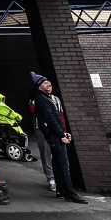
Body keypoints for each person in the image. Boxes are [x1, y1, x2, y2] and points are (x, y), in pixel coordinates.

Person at [30, 72, 86, 203]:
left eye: (48, 83)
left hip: (55, 134)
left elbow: (57, 117)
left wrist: (63, 131)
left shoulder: (46, 99)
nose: (48, 84)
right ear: (39, 86)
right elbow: (51, 118)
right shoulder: (42, 100)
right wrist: (61, 135)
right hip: (55, 136)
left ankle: (61, 190)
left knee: (56, 163)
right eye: (44, 83)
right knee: (63, 165)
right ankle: (70, 193)